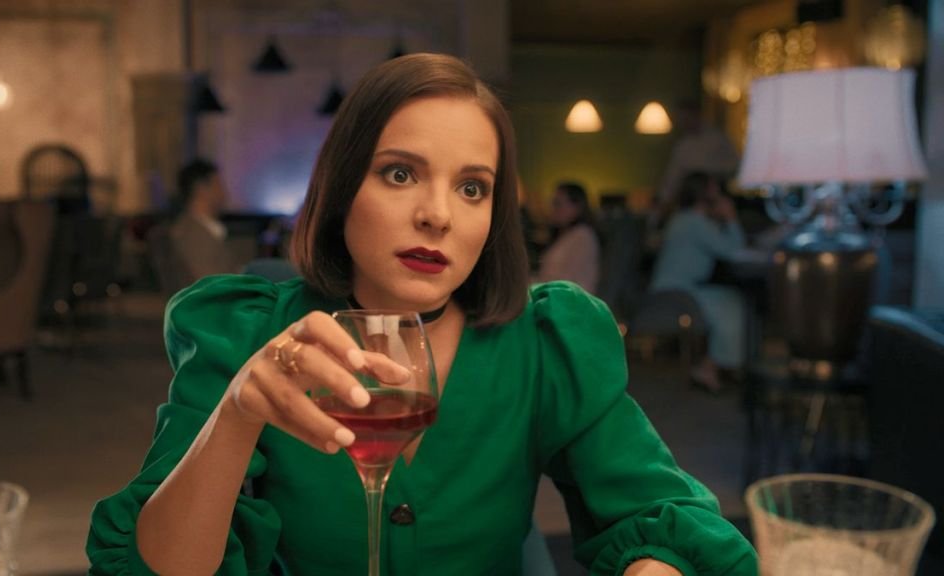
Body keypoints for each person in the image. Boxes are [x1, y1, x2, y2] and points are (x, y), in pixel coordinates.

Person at [87, 54, 756, 575]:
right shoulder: (242, 333)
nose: (438, 214)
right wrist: (237, 415)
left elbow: (662, 513)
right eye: (400, 173)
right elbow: (158, 567)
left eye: (472, 187)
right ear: (341, 186)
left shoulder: (547, 342)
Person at [649, 172, 747, 393]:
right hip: (678, 291)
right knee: (732, 303)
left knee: (728, 299)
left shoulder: (684, 218)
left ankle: (714, 365)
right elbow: (733, 250)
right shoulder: (694, 222)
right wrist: (731, 218)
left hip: (676, 288)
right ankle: (716, 366)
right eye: (715, 189)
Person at [653, 101, 739, 231]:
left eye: (686, 117)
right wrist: (662, 201)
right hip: (691, 200)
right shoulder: (682, 146)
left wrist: (710, 175)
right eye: (681, 119)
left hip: (714, 197)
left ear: (696, 115)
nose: (683, 122)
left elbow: (735, 165)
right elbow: (672, 178)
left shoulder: (716, 139)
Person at [168, 158, 245, 281]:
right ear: (201, 189)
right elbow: (211, 285)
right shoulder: (192, 235)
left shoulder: (203, 229)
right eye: (218, 184)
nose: (224, 192)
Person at [534, 181, 601, 294]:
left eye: (558, 204)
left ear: (577, 207)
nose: (553, 209)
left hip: (568, 301)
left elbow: (568, 282)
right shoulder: (566, 235)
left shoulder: (583, 237)